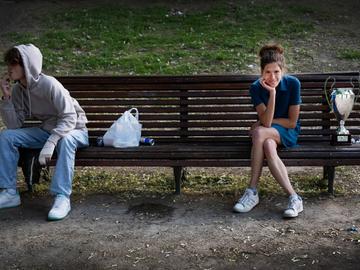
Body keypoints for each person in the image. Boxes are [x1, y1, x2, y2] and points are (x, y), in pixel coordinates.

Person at [0, 44, 89, 221]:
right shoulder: (18, 90)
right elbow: (13, 125)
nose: (9, 68)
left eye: (14, 63)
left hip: (75, 130)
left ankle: (62, 197)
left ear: (27, 64)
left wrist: (52, 141)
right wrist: (7, 98)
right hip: (48, 130)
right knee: (7, 137)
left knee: (66, 140)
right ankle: (9, 192)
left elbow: (70, 117)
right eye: (8, 63)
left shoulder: (49, 84)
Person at [233, 44, 303, 218]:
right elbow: (266, 121)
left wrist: (261, 124)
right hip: (269, 133)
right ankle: (294, 198)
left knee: (258, 132)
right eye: (268, 72)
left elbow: (292, 122)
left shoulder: (293, 84)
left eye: (276, 72)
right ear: (261, 73)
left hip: (287, 132)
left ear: (283, 71)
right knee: (268, 146)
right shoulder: (256, 87)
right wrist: (272, 93)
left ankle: (252, 191)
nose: (272, 77)